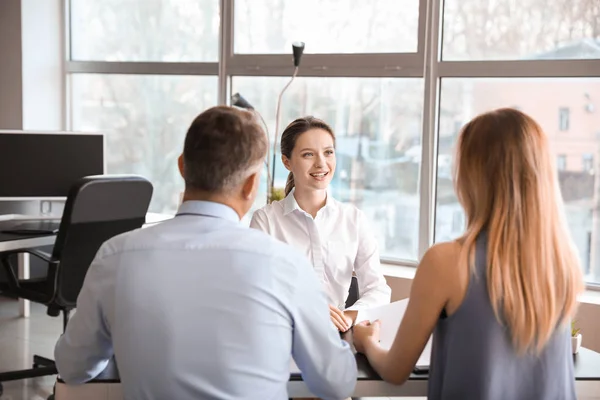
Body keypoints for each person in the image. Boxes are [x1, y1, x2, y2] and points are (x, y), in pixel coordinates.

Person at [54, 106, 357, 400]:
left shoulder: (115, 256)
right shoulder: (286, 265)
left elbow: (72, 367)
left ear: (182, 166)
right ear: (252, 185)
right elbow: (336, 383)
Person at [353, 108, 584, 400]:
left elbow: (396, 370)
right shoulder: (564, 261)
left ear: (472, 176)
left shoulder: (446, 261)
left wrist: (368, 341)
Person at [250, 116, 391, 333]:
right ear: (287, 162)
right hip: (282, 335)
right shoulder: (266, 220)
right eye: (308, 154)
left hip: (337, 336)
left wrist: (349, 315)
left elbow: (378, 289)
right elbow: (259, 290)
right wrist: (308, 309)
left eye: (328, 152)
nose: (321, 163)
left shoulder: (353, 219)